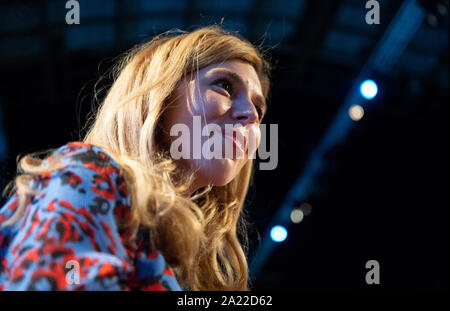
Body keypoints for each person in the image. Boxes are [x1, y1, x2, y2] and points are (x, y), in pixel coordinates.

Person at [0, 25, 271, 291]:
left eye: (259, 110)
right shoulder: (86, 172)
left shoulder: (190, 264)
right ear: (160, 97)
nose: (250, 115)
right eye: (224, 85)